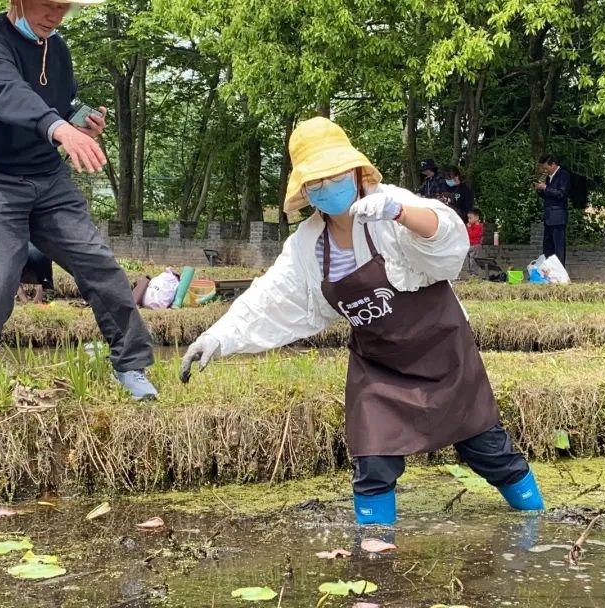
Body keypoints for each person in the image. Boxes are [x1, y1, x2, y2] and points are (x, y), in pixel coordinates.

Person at [180, 117, 544, 525]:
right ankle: (374, 554)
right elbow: (270, 299)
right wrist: (218, 336)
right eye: (316, 182)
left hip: (442, 351)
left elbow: (446, 236)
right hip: (379, 367)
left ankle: (537, 520)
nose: (328, 187)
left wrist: (401, 213)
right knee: (372, 462)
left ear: (355, 172)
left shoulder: (389, 205)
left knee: (488, 448)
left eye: (335, 176)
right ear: (306, 192)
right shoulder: (307, 245)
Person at [0, 0, 156, 402]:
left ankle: (131, 365)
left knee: (99, 264)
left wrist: (79, 121)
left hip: (45, 176)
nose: (56, 16)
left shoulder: (56, 48)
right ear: (18, 1)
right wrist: (59, 129)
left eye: (64, 8)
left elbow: (57, 104)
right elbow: (12, 97)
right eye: (48, 5)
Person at [535, 154, 571, 265]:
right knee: (547, 246)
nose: (545, 171)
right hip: (548, 217)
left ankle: (560, 273)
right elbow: (547, 195)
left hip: (558, 216)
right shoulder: (548, 177)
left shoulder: (563, 175)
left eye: (546, 168)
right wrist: (540, 189)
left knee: (558, 247)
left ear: (553, 165)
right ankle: (548, 271)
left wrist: (546, 188)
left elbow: (561, 194)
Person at [466, 208, 484, 272]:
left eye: (470, 218)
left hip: (475, 246)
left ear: (476, 218)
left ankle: (474, 274)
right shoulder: (471, 225)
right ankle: (470, 272)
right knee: (469, 260)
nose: (469, 220)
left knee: (474, 260)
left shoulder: (479, 226)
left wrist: (469, 228)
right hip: (470, 245)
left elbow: (473, 235)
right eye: (468, 218)